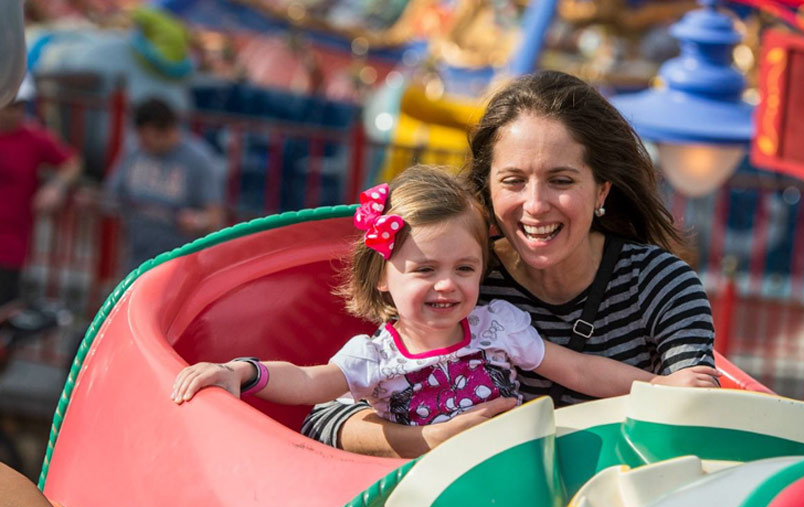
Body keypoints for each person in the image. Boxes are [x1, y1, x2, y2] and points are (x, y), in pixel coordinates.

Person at [301, 70, 717, 457]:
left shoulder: (660, 282)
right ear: (489, 189)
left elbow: (699, 411)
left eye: (562, 180)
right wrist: (431, 439)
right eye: (514, 181)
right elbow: (325, 419)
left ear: (601, 191)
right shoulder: (465, 278)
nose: (535, 206)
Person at [171, 166, 690, 427]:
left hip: (510, 477)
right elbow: (309, 381)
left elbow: (578, 369)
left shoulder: (497, 326)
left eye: (464, 268)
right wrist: (241, 371)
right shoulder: (376, 357)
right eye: (424, 270)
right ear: (381, 277)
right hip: (423, 494)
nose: (447, 284)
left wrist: (662, 386)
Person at [103, 97, 224, 272]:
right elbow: (112, 195)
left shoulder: (200, 161)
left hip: (179, 266)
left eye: (149, 139)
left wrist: (197, 221)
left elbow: (215, 218)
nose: (144, 144)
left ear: (168, 131)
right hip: (136, 262)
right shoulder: (135, 151)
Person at [0, 75, 82, 307]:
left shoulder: (34, 139)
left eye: (20, 106)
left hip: (9, 247)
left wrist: (57, 187)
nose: (14, 113)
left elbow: (72, 162)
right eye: (8, 105)